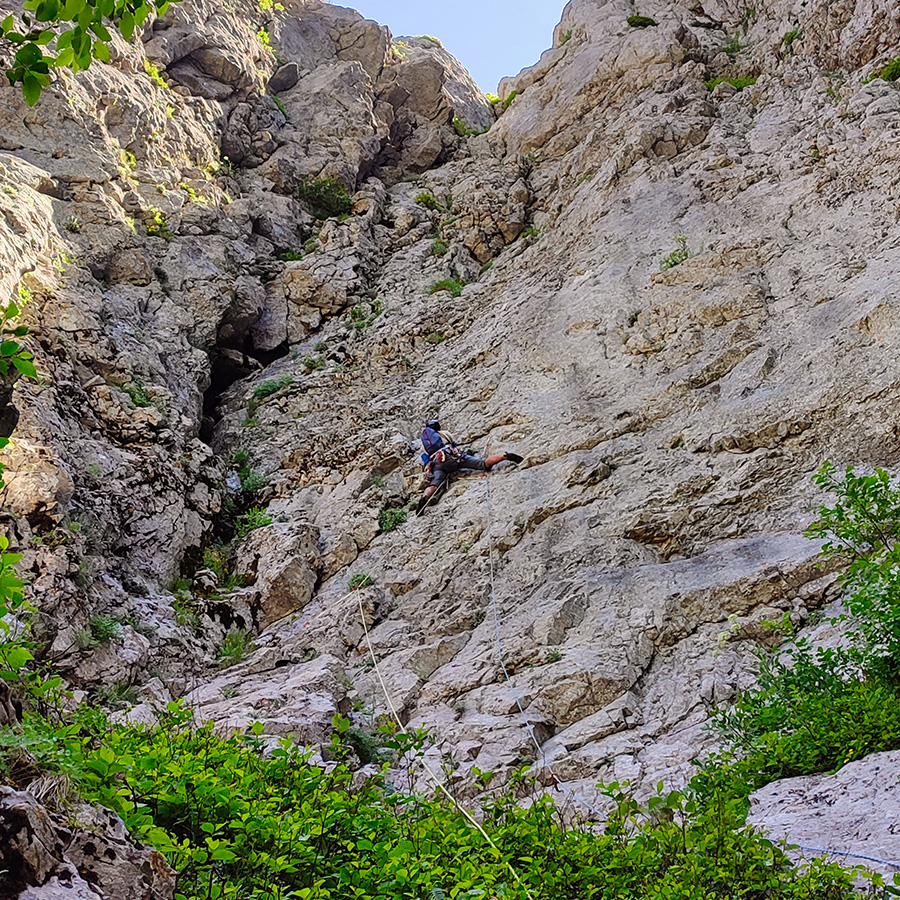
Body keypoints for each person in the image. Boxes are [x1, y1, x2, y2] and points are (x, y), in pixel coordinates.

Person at [416, 419, 523, 514]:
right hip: (454, 457)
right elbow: (454, 448)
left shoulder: (424, 445)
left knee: (434, 485)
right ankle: (504, 456)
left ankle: (424, 497)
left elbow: (426, 461)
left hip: (439, 464)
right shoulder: (445, 434)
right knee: (482, 463)